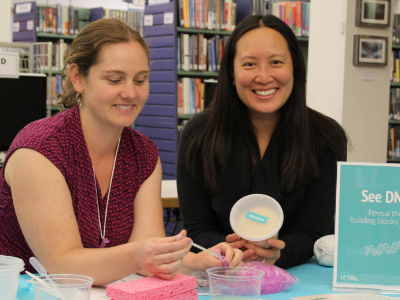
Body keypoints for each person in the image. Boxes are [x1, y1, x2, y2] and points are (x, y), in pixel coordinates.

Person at [0, 18, 243, 285]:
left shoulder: (143, 154)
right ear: (78, 78)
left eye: (140, 80)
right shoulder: (39, 149)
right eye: (114, 79)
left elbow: (147, 257)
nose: (130, 93)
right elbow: (62, 267)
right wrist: (139, 256)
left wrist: (200, 262)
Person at [176, 14, 348, 269]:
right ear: (232, 73)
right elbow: (198, 228)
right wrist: (230, 249)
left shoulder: (325, 137)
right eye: (249, 64)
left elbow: (313, 230)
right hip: (221, 274)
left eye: (276, 62)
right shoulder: (199, 135)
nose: (264, 76)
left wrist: (278, 254)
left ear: (295, 69)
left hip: (299, 277)